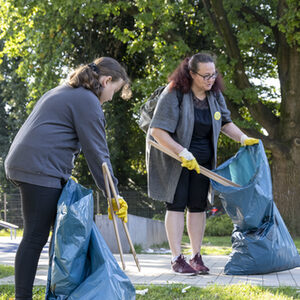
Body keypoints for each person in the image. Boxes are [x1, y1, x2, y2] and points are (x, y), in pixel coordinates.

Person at [4, 57, 130, 299]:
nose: (112, 97)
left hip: (32, 164)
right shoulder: (86, 100)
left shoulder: (67, 91)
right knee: (35, 236)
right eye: (115, 90)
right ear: (106, 81)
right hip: (40, 168)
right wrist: (113, 194)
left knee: (46, 235)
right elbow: (98, 153)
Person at [146, 52, 258, 275]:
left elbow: (225, 122)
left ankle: (196, 256)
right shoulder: (174, 93)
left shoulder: (214, 96)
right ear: (191, 74)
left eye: (213, 74)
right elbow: (157, 131)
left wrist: (243, 138)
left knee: (198, 206)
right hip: (176, 160)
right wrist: (182, 152)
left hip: (203, 163)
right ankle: (177, 258)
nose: (211, 79)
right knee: (176, 204)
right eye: (205, 75)